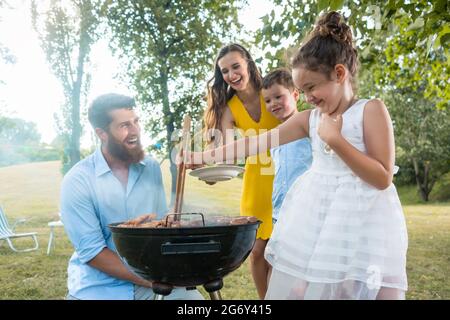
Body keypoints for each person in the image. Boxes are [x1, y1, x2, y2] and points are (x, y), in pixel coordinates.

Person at [191, 12, 408, 300]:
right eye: (302, 90)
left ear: (340, 74)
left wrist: (335, 140)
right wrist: (207, 156)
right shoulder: (310, 119)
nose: (306, 97)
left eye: (311, 87)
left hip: (363, 220)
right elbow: (257, 143)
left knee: (354, 288)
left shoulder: (371, 110)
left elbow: (382, 178)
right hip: (316, 219)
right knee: (309, 287)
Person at [60, 93, 203, 300]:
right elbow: (93, 254)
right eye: (124, 125)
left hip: (153, 276)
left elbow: (161, 224)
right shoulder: (78, 180)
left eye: (136, 122)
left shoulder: (151, 167)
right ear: (102, 133)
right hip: (99, 288)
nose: (135, 130)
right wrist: (156, 280)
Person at [202, 43, 280, 299]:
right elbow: (222, 147)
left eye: (236, 66)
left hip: (285, 177)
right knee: (257, 252)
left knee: (284, 251)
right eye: (224, 71)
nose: (231, 75)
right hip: (257, 181)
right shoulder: (229, 107)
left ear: (248, 63)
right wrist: (210, 171)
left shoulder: (271, 92)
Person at [261, 68, 312, 226]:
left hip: (306, 206)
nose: (273, 103)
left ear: (295, 95)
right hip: (280, 209)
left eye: (278, 96)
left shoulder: (309, 125)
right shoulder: (274, 137)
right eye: (268, 101)